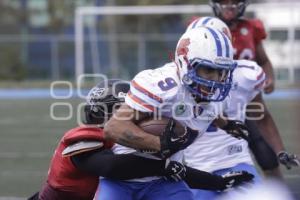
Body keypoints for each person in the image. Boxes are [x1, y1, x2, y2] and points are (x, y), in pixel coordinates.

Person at [96, 26, 255, 200]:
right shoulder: (164, 87)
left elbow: (203, 110)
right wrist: (158, 143)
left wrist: (227, 124)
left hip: (164, 178)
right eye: (208, 70)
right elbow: (113, 127)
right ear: (185, 62)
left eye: (221, 71)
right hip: (123, 175)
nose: (216, 80)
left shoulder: (216, 97)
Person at [30, 79, 191, 200]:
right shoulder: (83, 141)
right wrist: (162, 166)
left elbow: (175, 172)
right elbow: (111, 167)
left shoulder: (121, 144)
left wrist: (215, 182)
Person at [189, 12, 299, 179]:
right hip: (193, 161)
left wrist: (280, 151)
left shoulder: (245, 74)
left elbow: (261, 116)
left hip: (234, 158)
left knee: (264, 158)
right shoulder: (175, 77)